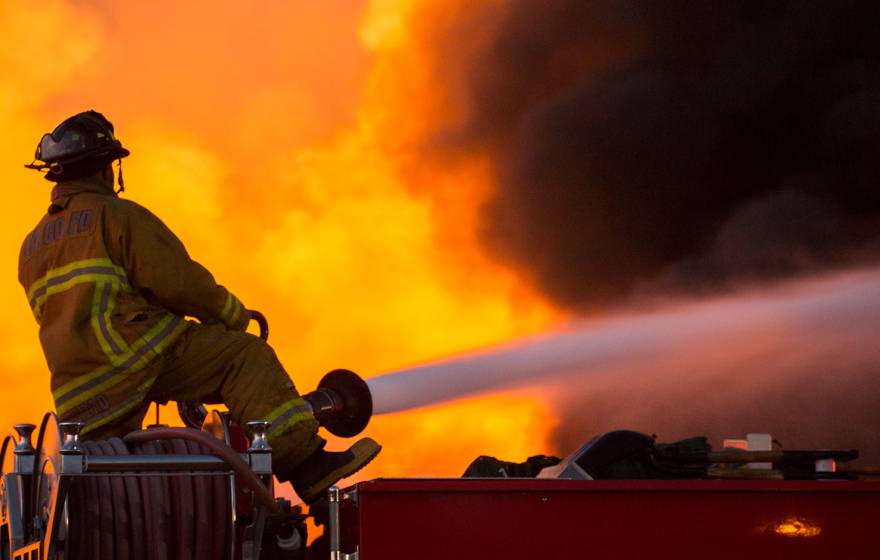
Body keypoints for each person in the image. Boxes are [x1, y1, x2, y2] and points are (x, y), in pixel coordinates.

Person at [18, 110, 380, 502]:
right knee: (244, 357)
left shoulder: (32, 246)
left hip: (78, 395)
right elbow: (179, 282)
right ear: (107, 168)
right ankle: (307, 466)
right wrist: (233, 316)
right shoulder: (118, 217)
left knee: (115, 488)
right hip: (135, 357)